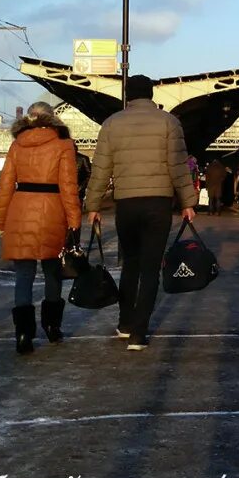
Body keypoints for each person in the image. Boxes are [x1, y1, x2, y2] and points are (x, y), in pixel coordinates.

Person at [84, 74, 197, 351]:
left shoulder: (111, 124)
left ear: (128, 96)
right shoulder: (169, 122)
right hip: (158, 204)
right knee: (150, 268)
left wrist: (93, 205)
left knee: (131, 265)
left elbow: (101, 169)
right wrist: (187, 201)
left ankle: (124, 323)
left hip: (127, 205)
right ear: (151, 94)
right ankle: (138, 333)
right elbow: (178, 165)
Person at [0, 102, 82, 354]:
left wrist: (0, 222)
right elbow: (68, 187)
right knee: (53, 272)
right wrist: (74, 222)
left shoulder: (17, 144)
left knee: (23, 276)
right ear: (52, 117)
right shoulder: (63, 144)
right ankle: (52, 327)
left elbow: (6, 185)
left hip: (20, 210)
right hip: (52, 211)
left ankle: (23, 334)